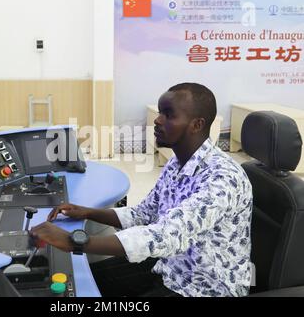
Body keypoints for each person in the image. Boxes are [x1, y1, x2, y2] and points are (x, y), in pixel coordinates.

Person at [30, 83, 253, 297]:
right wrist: (87, 212)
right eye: (160, 112)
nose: (157, 120)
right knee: (81, 283)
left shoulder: (222, 178)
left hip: (205, 288)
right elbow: (144, 214)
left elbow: (165, 235)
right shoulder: (177, 164)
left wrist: (75, 241)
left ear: (196, 124)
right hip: (169, 268)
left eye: (168, 114)